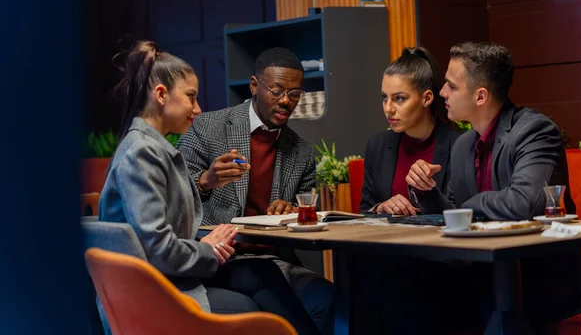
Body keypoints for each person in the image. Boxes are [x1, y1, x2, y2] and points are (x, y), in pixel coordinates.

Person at [98, 40, 321, 335]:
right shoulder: (144, 152)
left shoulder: (149, 146)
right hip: (157, 289)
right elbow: (159, 249)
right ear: (161, 95)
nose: (198, 109)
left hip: (162, 278)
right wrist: (207, 247)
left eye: (294, 94)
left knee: (264, 274)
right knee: (262, 285)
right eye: (191, 97)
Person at [405, 41, 581, 330]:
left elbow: (526, 202)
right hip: (485, 276)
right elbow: (455, 213)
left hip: (544, 281)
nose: (442, 93)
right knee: (404, 291)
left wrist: (474, 204)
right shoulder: (463, 145)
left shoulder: (534, 131)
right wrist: (426, 192)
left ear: (481, 95)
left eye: (451, 86)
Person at [178, 47, 334, 335]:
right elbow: (176, 198)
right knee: (267, 280)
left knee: (326, 296)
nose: (286, 101)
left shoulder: (302, 152)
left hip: (274, 258)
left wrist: (292, 212)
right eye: (276, 91)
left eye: (295, 94)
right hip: (220, 256)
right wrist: (206, 180)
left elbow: (305, 213)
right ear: (254, 86)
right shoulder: (207, 127)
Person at [359, 46, 459, 214]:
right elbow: (364, 211)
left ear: (426, 98)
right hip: (389, 238)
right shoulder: (377, 146)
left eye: (399, 98)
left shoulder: (458, 145)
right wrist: (380, 208)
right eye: (385, 98)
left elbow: (463, 211)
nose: (388, 108)